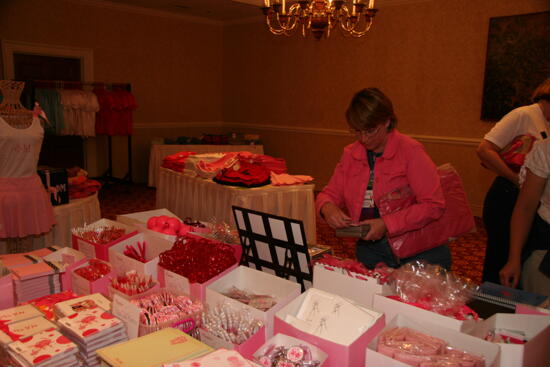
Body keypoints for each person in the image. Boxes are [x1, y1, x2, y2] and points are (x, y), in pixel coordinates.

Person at [316, 87, 452, 270]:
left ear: (387, 121)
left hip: (416, 249)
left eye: (370, 130)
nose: (363, 138)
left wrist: (386, 224)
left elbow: (433, 205)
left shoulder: (411, 151)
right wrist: (327, 207)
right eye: (357, 131)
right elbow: (329, 193)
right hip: (369, 248)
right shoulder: (351, 153)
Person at [477, 78, 550, 284]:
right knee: (500, 257)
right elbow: (484, 150)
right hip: (507, 194)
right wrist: (515, 179)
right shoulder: (523, 114)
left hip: (529, 197)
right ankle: (491, 308)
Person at [499, 138, 550, 297]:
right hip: (545, 252)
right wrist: (514, 258)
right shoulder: (546, 149)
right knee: (541, 316)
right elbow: (525, 207)